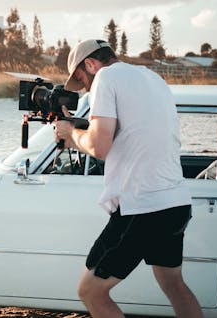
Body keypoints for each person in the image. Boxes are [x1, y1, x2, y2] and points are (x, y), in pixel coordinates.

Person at [54, 39, 203, 318]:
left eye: (82, 80)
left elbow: (99, 147)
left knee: (90, 292)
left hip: (141, 206)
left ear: (90, 64)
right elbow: (131, 135)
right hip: (174, 202)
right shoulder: (152, 77)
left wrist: (71, 133)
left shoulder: (105, 78)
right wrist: (75, 134)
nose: (85, 87)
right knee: (174, 285)